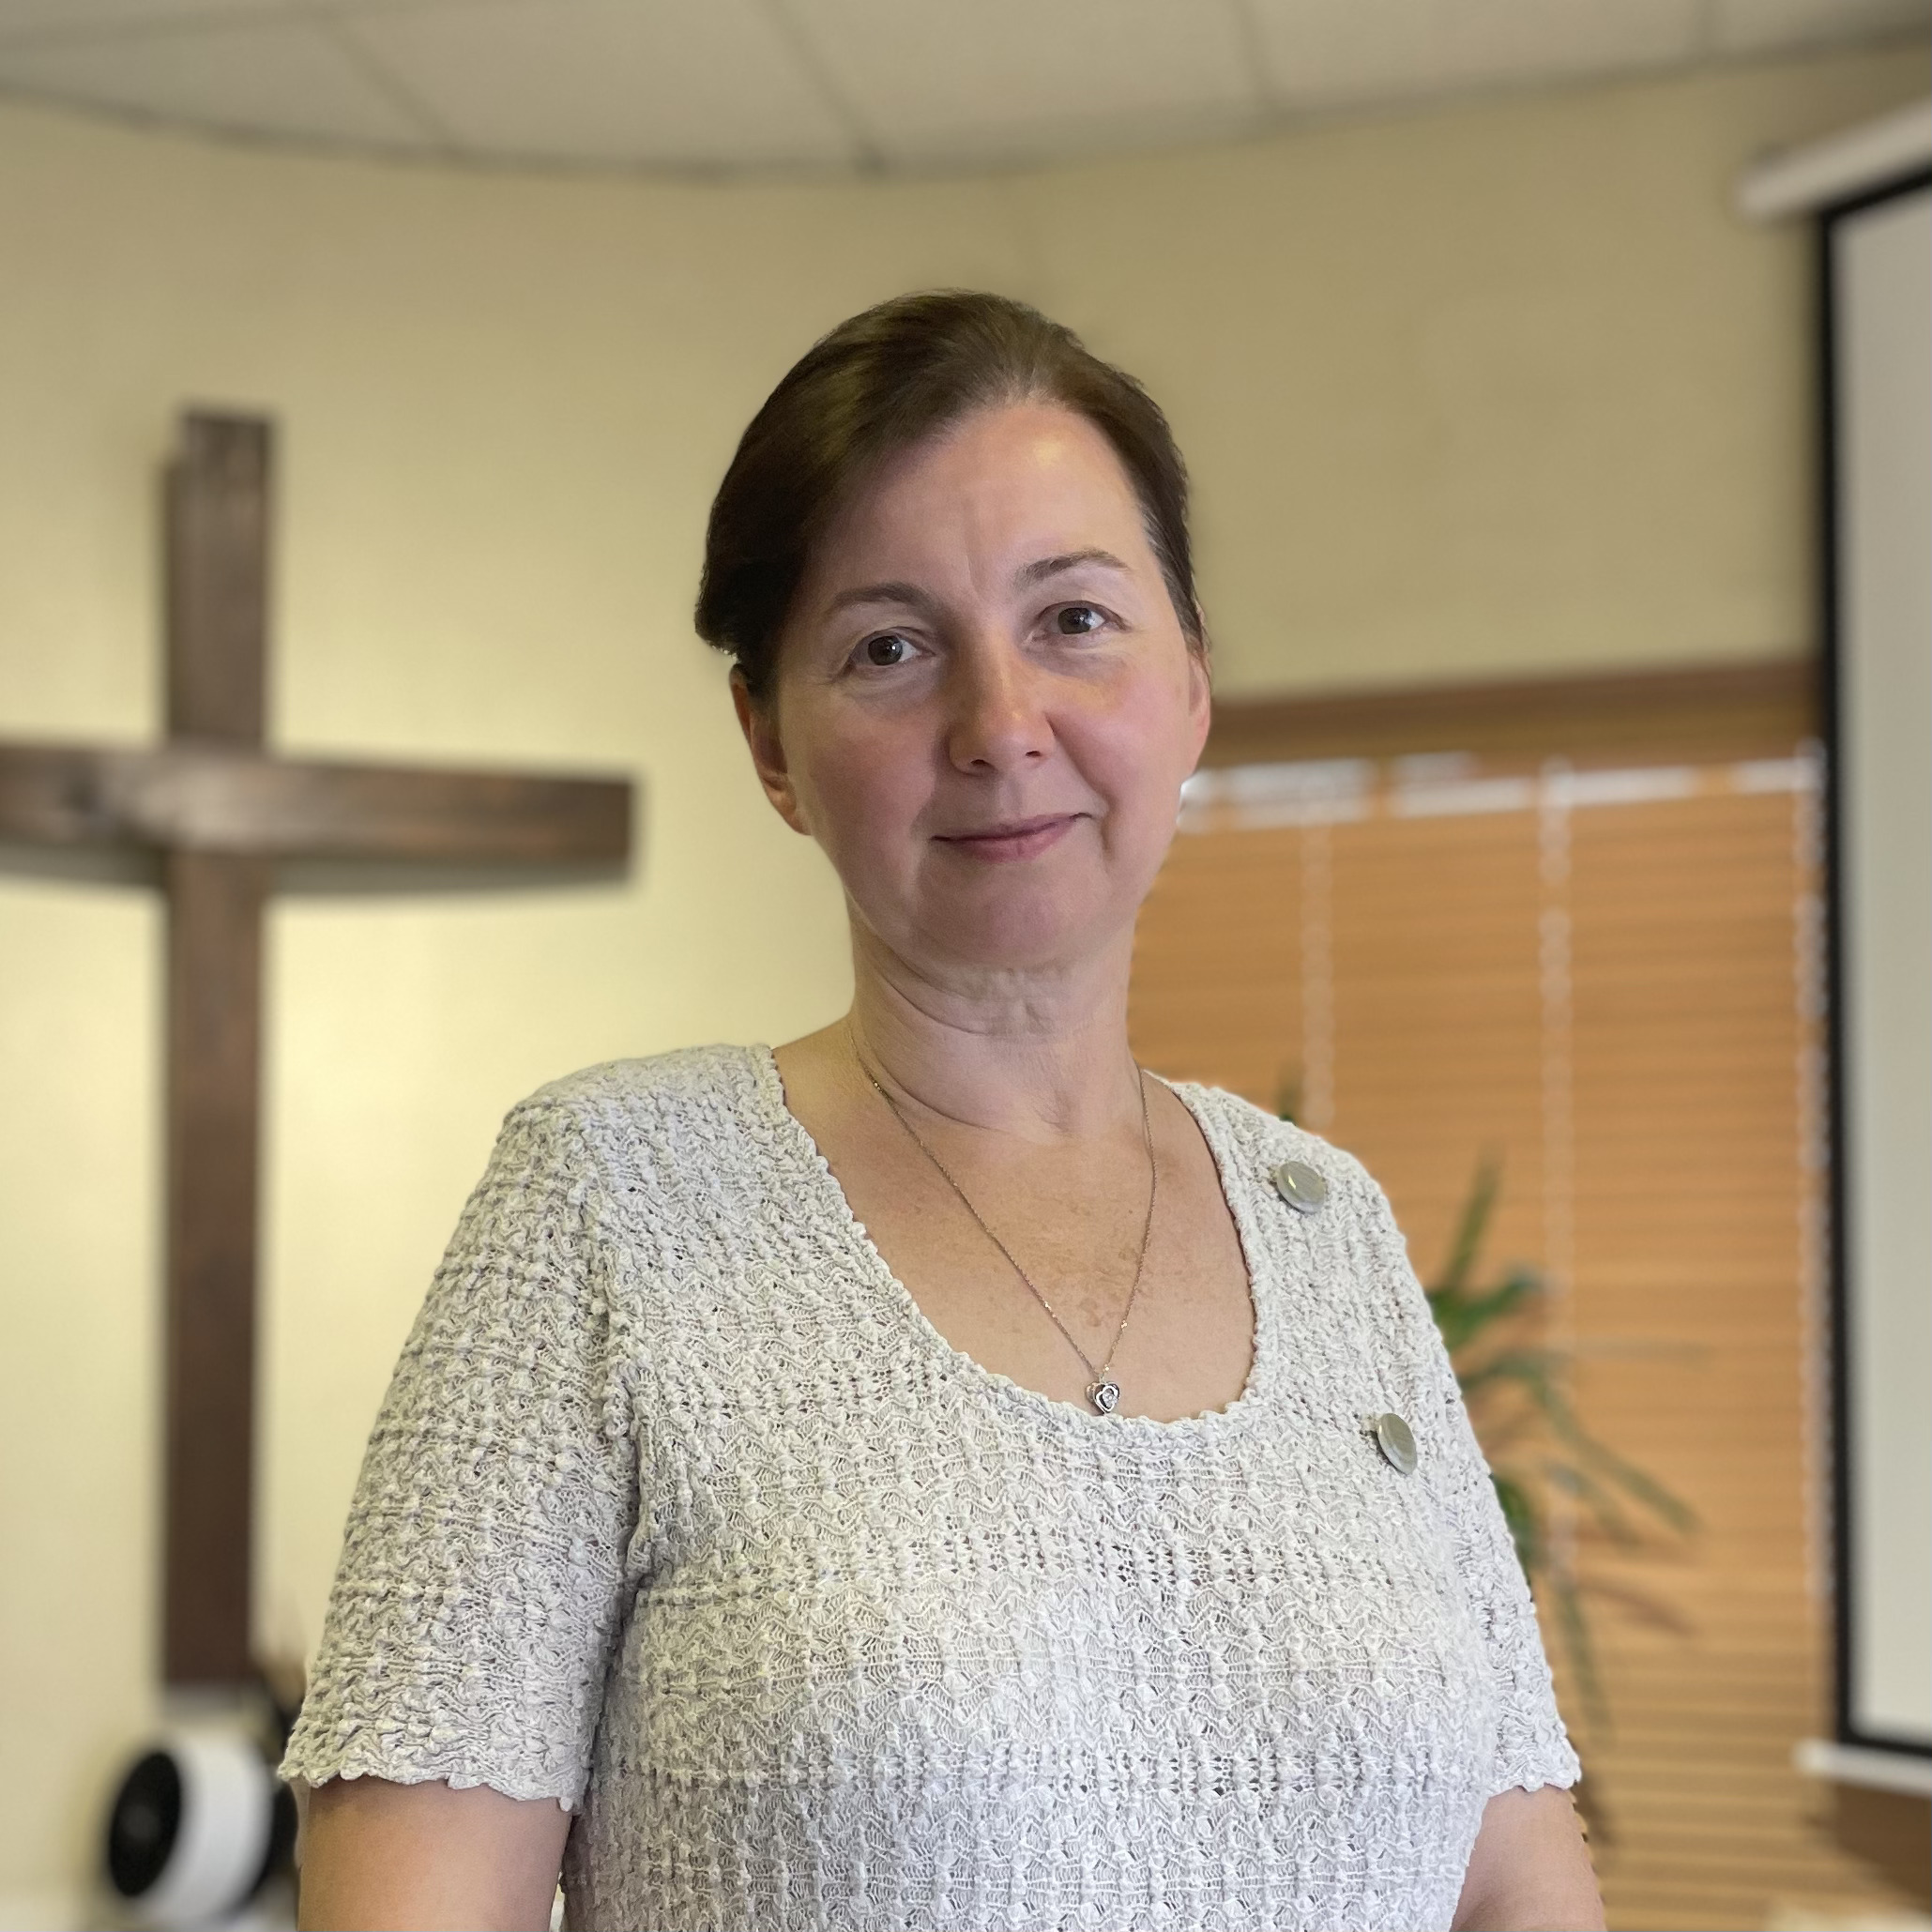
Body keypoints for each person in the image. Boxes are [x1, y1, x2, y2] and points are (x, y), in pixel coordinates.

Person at [281, 290, 1605, 1932]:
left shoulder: (1328, 1228)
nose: (1000, 727)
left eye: (1076, 619)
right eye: (890, 650)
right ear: (771, 743)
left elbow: (1518, 1888)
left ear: (1193, 686)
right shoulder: (607, 1205)